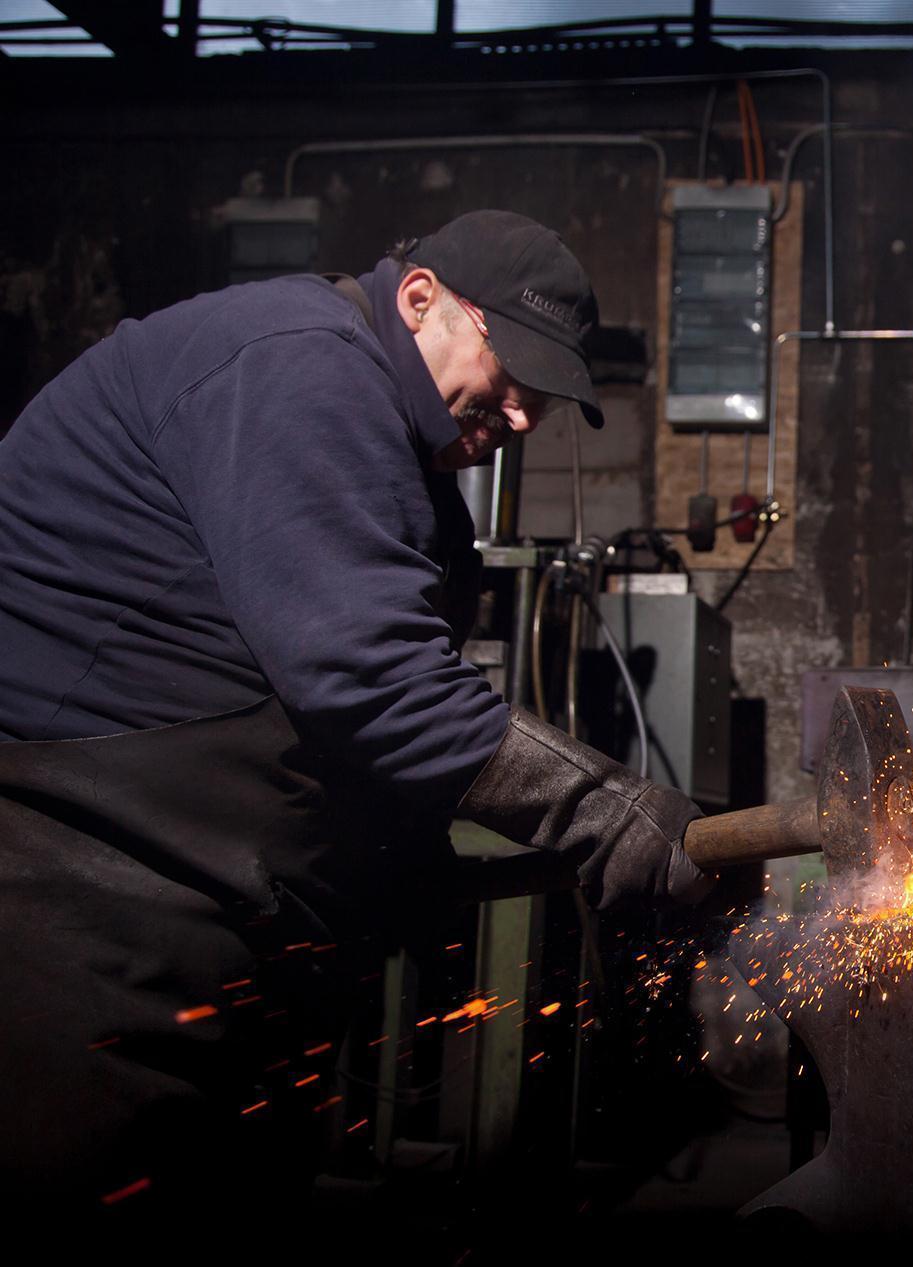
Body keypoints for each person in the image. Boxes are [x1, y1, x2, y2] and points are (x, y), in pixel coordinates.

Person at [0, 210, 709, 1220]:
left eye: (543, 401)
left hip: (202, 907)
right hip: (79, 896)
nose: (520, 420)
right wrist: (609, 813)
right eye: (514, 377)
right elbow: (372, 681)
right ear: (418, 299)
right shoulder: (299, 367)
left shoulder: (396, 455)